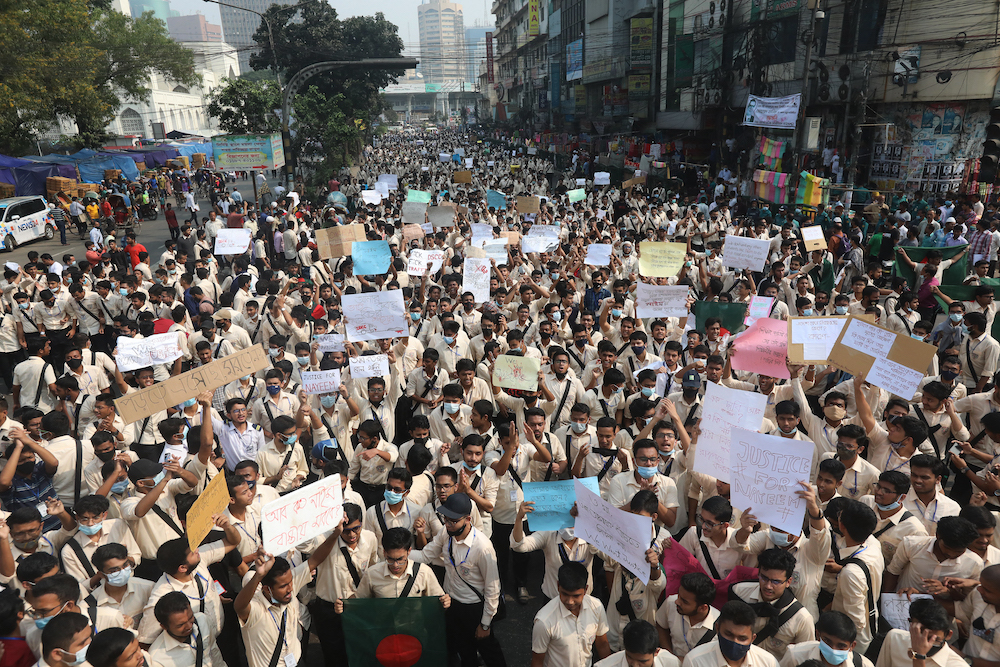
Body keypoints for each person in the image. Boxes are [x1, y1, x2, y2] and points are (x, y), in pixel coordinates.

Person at [409, 492, 507, 667]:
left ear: (468, 519)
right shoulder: (446, 534)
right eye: (446, 519)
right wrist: (404, 555)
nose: (448, 524)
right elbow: (426, 555)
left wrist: (485, 624)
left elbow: (493, 589)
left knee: (489, 651)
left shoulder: (483, 548)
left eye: (453, 521)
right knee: (465, 651)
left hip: (474, 608)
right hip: (452, 604)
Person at [530, 562, 611, 667]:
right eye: (565, 594)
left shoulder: (596, 607)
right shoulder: (544, 621)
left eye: (576, 596)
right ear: (558, 586)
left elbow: (602, 644)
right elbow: (537, 661)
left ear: (586, 589)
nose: (570, 601)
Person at [683, 600, 780, 667]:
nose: (734, 642)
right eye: (729, 634)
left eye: (742, 638)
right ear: (717, 628)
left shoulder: (768, 663)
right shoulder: (695, 661)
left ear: (752, 638)